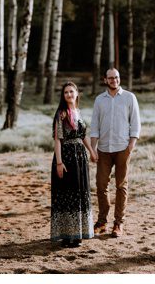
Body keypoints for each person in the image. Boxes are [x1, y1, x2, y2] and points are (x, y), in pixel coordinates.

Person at [90, 68, 140, 238]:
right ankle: (102, 221)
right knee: (101, 186)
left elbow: (135, 123)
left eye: (116, 77)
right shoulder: (99, 100)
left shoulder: (129, 97)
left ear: (119, 78)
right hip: (103, 149)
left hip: (122, 148)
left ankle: (118, 223)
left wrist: (131, 145)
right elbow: (95, 125)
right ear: (106, 80)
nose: (114, 80)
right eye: (110, 78)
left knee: (121, 186)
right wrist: (93, 149)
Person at [51, 81, 98, 248]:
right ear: (63, 96)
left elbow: (83, 135)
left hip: (80, 159)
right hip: (67, 157)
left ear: (77, 94)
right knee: (67, 195)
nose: (69, 94)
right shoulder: (61, 114)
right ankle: (66, 236)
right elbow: (58, 140)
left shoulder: (78, 112)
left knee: (79, 193)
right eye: (66, 92)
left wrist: (92, 151)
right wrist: (59, 162)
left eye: (71, 91)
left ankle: (77, 233)